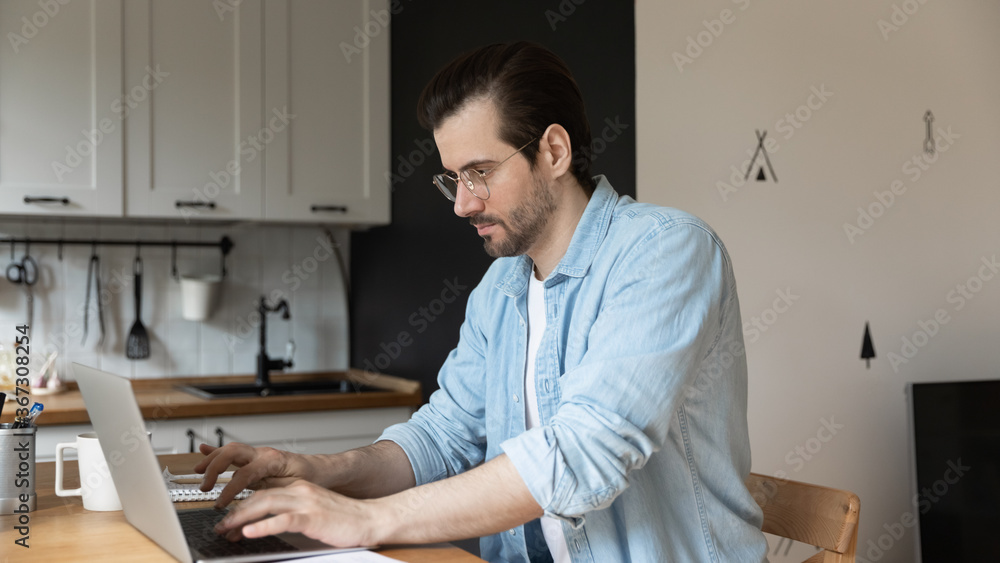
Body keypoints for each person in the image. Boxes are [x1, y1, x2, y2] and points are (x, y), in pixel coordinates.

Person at [200, 41, 769, 562]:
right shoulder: (501, 289)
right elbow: (443, 438)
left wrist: (365, 520)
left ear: (553, 150)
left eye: (479, 173)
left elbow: (582, 453)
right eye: (453, 179)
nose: (462, 205)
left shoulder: (664, 251)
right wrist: (317, 472)